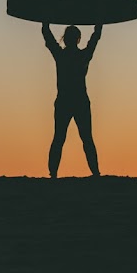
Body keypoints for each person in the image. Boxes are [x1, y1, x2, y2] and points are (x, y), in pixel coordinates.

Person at [42, 22, 102, 178]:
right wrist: (99, 24)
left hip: (65, 101)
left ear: (65, 39)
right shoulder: (83, 56)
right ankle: (95, 173)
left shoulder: (61, 55)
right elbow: (95, 39)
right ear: (78, 39)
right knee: (86, 138)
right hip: (79, 101)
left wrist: (45, 23)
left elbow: (48, 37)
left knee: (60, 138)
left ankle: (53, 173)